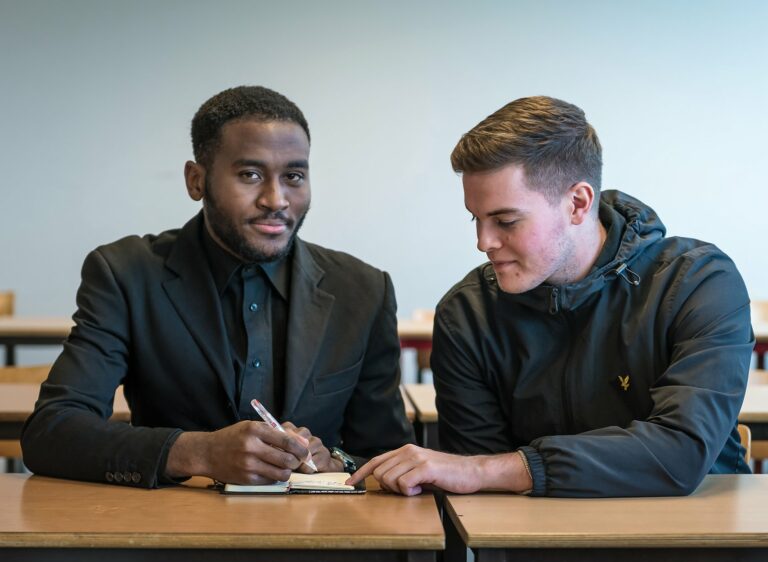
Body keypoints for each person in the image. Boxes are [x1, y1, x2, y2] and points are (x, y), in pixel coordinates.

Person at [349, 96, 753, 497]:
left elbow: (679, 453)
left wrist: (507, 468)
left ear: (577, 204)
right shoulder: (467, 315)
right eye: (477, 218)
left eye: (506, 221)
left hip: (698, 543)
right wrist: (486, 472)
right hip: (539, 551)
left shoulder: (697, 282)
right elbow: (478, 488)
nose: (483, 242)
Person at [22, 86, 413, 488]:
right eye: (250, 175)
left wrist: (336, 462)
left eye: (293, 176)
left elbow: (390, 456)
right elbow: (52, 432)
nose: (275, 199)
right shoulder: (126, 275)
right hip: (169, 534)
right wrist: (199, 452)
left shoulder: (363, 291)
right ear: (196, 180)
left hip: (318, 539)